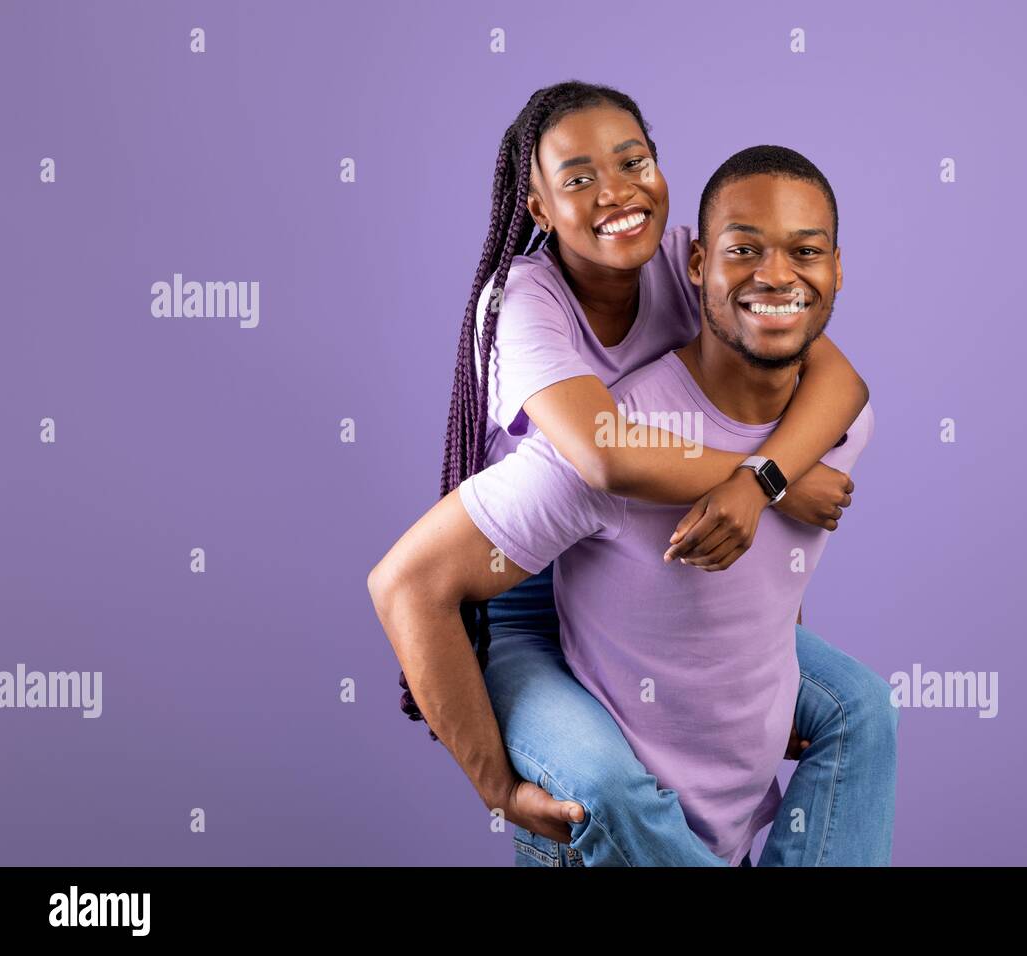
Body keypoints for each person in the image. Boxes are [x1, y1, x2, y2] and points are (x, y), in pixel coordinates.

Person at [369, 82, 897, 866]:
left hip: (635, 571)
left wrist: (766, 481)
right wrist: (499, 791)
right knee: (608, 786)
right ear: (539, 208)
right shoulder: (523, 302)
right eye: (578, 178)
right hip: (523, 586)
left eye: (633, 161)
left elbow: (835, 375)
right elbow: (602, 453)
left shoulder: (698, 256)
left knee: (860, 708)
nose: (615, 191)